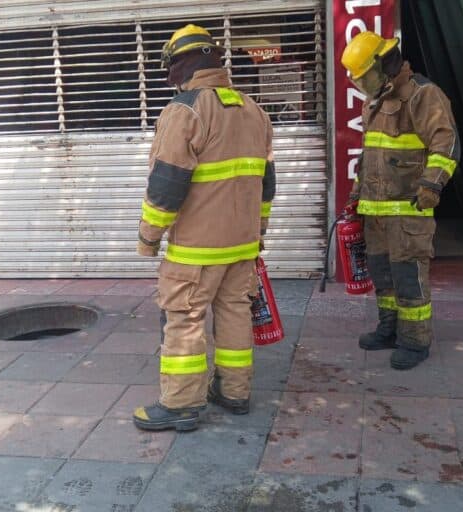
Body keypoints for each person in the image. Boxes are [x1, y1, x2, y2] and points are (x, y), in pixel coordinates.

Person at [134, 24, 276, 431]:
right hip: (242, 246)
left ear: (181, 63)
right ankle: (234, 392)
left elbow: (166, 183)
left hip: (196, 251)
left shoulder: (185, 111)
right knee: (234, 314)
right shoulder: (254, 110)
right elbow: (266, 183)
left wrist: (148, 238)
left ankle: (181, 404)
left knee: (184, 320)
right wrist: (259, 230)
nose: (169, 77)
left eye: (170, 67)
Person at [340, 32, 459, 370]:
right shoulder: (374, 101)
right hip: (376, 212)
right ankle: (389, 329)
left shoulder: (423, 95)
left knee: (408, 277)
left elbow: (446, 143)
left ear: (383, 65)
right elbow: (370, 156)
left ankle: (415, 341)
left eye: (363, 77)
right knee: (384, 276)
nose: (361, 84)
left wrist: (432, 185)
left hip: (408, 211)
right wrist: (356, 194)